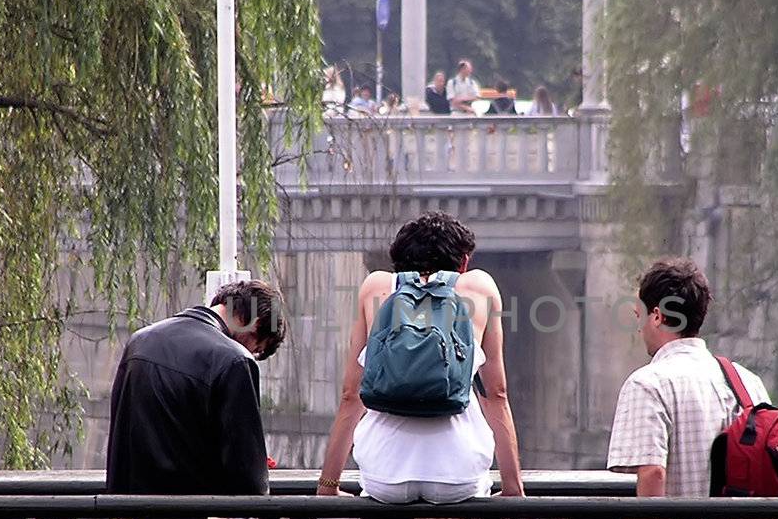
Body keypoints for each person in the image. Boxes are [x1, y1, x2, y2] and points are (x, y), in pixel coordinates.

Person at [317, 211, 523, 502]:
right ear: (464, 261)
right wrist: (513, 488)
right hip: (459, 475)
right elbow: (496, 394)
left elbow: (351, 394)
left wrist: (327, 485)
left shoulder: (376, 287)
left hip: (384, 474)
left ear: (399, 259)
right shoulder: (479, 287)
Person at [607, 257, 769, 497]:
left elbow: (654, 473)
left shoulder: (647, 384)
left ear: (657, 316)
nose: (639, 328)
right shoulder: (747, 381)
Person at [106, 280, 286, 493]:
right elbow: (248, 477)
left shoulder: (141, 340)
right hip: (192, 514)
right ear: (256, 324)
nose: (251, 353)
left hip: (127, 511)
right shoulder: (234, 359)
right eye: (257, 348)